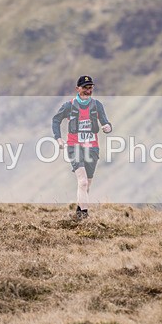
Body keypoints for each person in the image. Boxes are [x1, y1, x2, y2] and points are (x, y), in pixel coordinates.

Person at [51, 75, 112, 220]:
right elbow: (56, 120)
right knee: (83, 182)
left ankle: (79, 211)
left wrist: (108, 127)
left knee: (87, 184)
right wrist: (58, 139)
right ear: (77, 89)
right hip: (74, 147)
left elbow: (105, 122)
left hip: (92, 148)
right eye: (85, 88)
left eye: (90, 88)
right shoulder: (68, 106)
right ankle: (84, 217)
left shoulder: (97, 105)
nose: (88, 90)